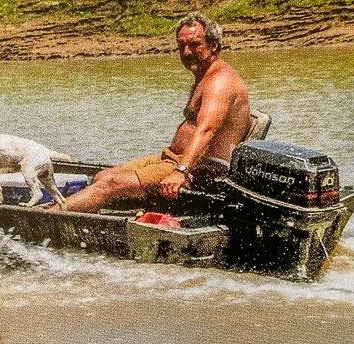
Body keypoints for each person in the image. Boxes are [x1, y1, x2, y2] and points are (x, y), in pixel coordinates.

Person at [63, 11, 251, 213]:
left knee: (110, 184)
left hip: (198, 169)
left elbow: (206, 131)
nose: (187, 52)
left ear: (214, 45)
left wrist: (181, 171)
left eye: (195, 44)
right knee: (101, 177)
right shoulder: (204, 75)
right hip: (172, 158)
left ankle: (48, 215)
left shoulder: (221, 81)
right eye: (181, 46)